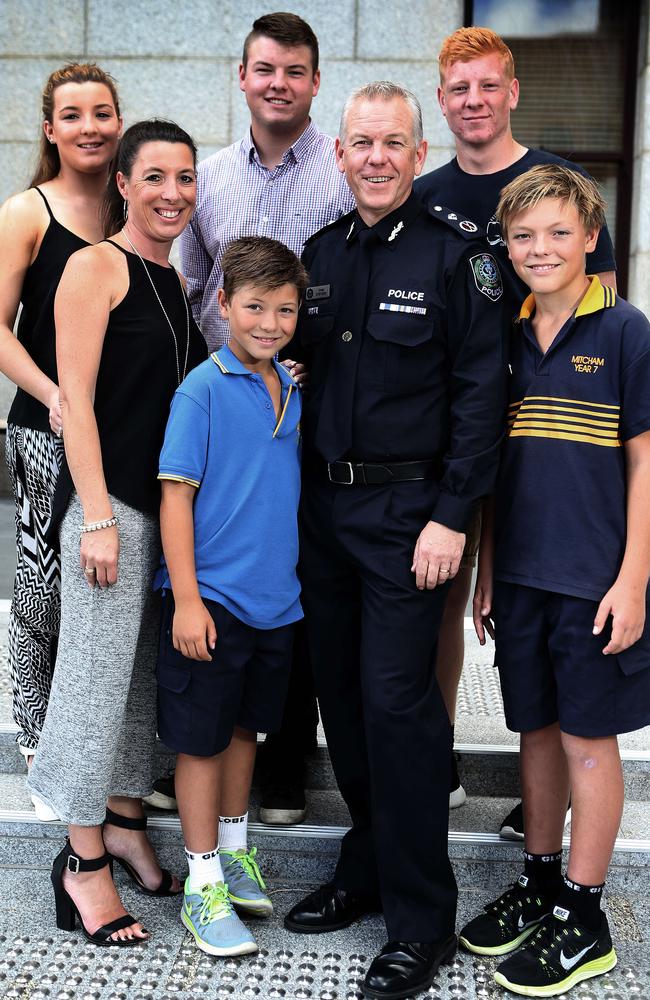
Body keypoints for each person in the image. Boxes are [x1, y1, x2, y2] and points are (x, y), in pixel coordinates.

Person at [284, 82, 509, 1000]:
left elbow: (481, 398)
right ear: (338, 155)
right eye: (361, 143)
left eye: (393, 144)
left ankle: (423, 921)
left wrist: (453, 516)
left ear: (419, 156)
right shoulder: (319, 255)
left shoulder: (461, 259)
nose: (376, 158)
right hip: (324, 518)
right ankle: (368, 863)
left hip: (410, 519)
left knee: (399, 710)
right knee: (342, 701)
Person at [146, 11, 354, 826]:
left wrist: (309, 365)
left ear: (313, 82)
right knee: (214, 562)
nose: (278, 82)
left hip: (303, 401)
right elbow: (193, 287)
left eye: (295, 70)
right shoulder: (212, 178)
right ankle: (194, 749)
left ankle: (282, 768)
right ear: (243, 76)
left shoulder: (340, 174)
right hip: (220, 402)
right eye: (265, 68)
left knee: (285, 569)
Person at [414, 26, 617, 832]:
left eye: (489, 86)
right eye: (460, 89)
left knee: (538, 600)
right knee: (449, 603)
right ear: (442, 99)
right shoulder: (424, 195)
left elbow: (597, 309)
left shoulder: (556, 186)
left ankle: (551, 797)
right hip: (454, 433)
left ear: (514, 91)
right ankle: (439, 759)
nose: (475, 101)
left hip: (546, 427)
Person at [462, 164, 650, 997]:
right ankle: (540, 886)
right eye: (523, 236)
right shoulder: (503, 336)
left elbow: (646, 466)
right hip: (524, 579)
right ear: (506, 246)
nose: (540, 249)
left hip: (597, 580)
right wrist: (489, 573)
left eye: (558, 234)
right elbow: (501, 471)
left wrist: (636, 579)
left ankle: (586, 913)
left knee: (584, 741)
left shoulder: (628, 332)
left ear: (591, 238)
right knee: (533, 733)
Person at [27, 120, 208, 945]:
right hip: (108, 513)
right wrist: (95, 514)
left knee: (137, 687)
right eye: (156, 177)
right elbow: (77, 403)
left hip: (156, 514)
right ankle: (82, 864)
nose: (173, 192)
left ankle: (127, 824)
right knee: (94, 691)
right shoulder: (92, 267)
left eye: (186, 178)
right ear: (125, 186)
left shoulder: (171, 278)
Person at [155, 236, 307, 957]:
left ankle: (237, 851)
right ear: (222, 304)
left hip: (275, 603)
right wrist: (186, 598)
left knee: (248, 731)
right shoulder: (203, 389)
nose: (270, 323)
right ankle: (202, 881)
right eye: (254, 308)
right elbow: (175, 497)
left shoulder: (291, 386)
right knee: (202, 740)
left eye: (284, 310)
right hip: (209, 599)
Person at [0, 63, 122, 821]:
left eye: (102, 113)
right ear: (50, 128)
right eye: (72, 115)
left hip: (121, 432)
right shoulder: (27, 212)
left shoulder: (130, 204)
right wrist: (55, 396)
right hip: (45, 426)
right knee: (44, 586)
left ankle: (103, 735)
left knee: (105, 586)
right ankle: (36, 733)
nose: (89, 127)